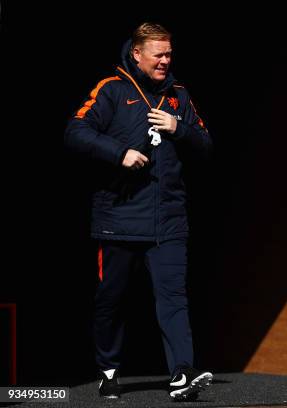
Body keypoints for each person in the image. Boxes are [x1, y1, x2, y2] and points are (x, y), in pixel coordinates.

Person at [64, 22, 213, 401]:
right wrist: (119, 154)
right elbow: (75, 131)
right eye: (158, 54)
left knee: (174, 298)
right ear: (137, 53)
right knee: (111, 299)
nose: (165, 61)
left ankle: (182, 374)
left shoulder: (179, 95)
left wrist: (178, 127)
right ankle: (109, 370)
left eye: (169, 54)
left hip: (169, 220)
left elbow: (205, 144)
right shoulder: (111, 90)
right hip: (119, 218)